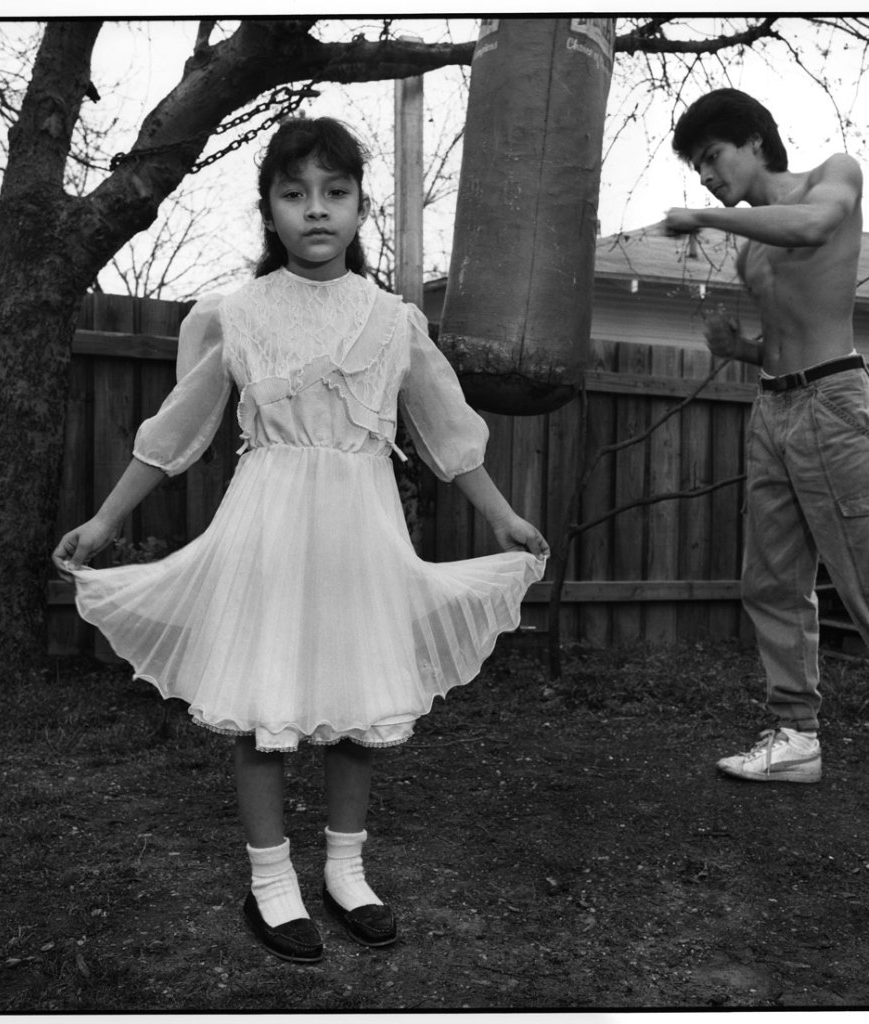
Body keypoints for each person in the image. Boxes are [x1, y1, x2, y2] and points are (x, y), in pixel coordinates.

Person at [52, 116, 549, 962]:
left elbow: (447, 433)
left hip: (360, 531)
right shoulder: (236, 316)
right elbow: (178, 431)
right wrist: (104, 519)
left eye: (335, 192)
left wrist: (502, 516)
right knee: (265, 707)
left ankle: (346, 870)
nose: (315, 210)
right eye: (294, 194)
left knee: (358, 707)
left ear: (360, 208)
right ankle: (271, 878)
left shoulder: (394, 322)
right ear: (269, 210)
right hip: (269, 530)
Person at [663, 88, 869, 785]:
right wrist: (737, 349)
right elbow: (780, 338)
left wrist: (702, 216)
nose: (706, 177)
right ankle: (795, 735)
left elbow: (811, 227)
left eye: (711, 158)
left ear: (753, 141)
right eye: (698, 171)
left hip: (832, 404)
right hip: (771, 412)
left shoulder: (832, 176)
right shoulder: (749, 251)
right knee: (770, 583)